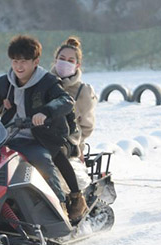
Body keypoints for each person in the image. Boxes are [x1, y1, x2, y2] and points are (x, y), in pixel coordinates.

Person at [0, 35, 74, 218]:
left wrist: (45, 112)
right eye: (15, 61)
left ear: (35, 61)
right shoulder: (4, 83)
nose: (18, 67)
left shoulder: (47, 81)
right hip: (8, 137)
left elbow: (66, 100)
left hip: (39, 138)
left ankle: (60, 207)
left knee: (42, 162)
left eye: (24, 61)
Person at [50, 36, 97, 221]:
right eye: (62, 58)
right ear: (55, 60)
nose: (65, 63)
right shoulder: (43, 82)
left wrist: (78, 145)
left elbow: (87, 125)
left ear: (77, 65)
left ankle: (69, 204)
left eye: (70, 60)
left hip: (69, 140)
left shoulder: (82, 91)